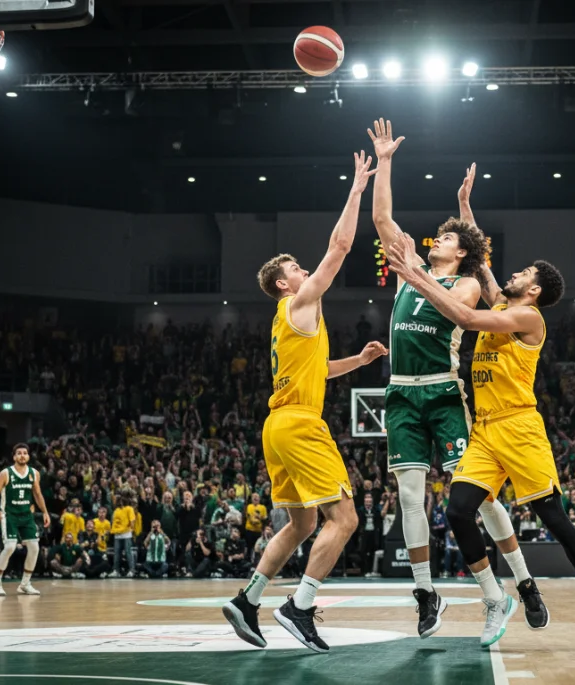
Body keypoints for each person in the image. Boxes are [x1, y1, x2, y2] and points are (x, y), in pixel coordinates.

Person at [383, 231, 575, 653]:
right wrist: (466, 209)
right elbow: (481, 262)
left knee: (555, 520)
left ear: (534, 290)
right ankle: (495, 599)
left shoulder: (529, 319)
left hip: (519, 428)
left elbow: (468, 319)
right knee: (458, 511)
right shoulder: (501, 302)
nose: (514, 273)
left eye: (525, 273)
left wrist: (414, 275)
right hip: (484, 430)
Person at [369, 119, 543, 637]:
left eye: (446, 237)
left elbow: (472, 296)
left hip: (444, 393)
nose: (436, 239)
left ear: (460, 252)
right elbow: (381, 218)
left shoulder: (464, 284)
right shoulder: (413, 266)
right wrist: (385, 162)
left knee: (479, 498)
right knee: (408, 497)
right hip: (402, 392)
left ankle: (524, 581)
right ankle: (426, 594)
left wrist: (453, 234)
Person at [222, 151, 388, 654]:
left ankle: (248, 599)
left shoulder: (288, 322)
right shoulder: (298, 302)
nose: (305, 269)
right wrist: (357, 188)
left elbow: (319, 370)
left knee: (303, 523)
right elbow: (340, 246)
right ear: (283, 283)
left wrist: (358, 361)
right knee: (346, 519)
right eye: (296, 268)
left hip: (277, 425)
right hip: (299, 424)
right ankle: (300, 605)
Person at [0, 443, 51, 596]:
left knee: (34, 547)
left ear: (28, 456)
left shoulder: (34, 473)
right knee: (10, 547)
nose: (22, 455)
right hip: (10, 515)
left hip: (26, 516)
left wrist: (45, 512)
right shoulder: (6, 473)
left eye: (25, 453)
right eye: (19, 453)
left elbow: (37, 494)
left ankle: (25, 584)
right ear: (14, 456)